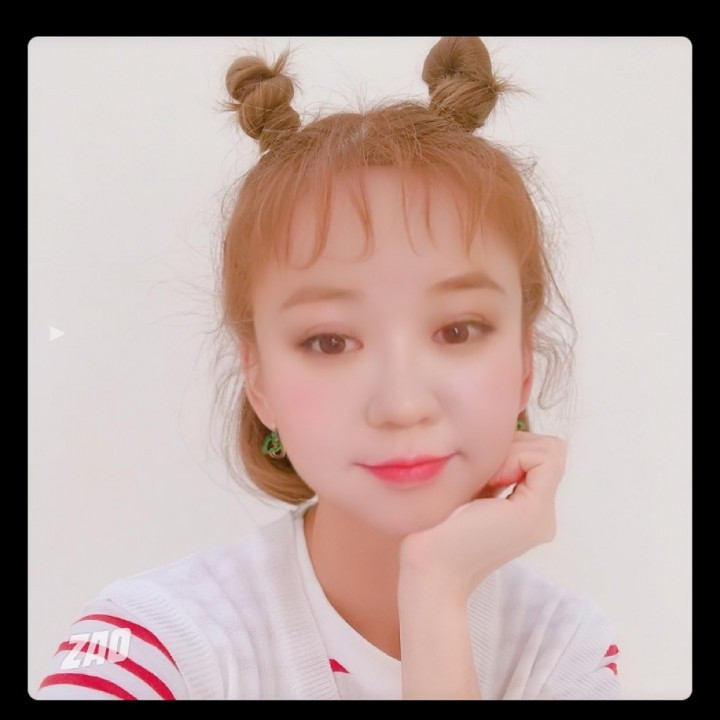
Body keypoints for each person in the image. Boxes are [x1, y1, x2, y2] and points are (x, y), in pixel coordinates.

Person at [35, 36, 622, 700]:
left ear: (523, 363)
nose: (402, 405)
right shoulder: (152, 641)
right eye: (329, 342)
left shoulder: (558, 649)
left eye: (458, 330)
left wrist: (435, 589)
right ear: (259, 381)